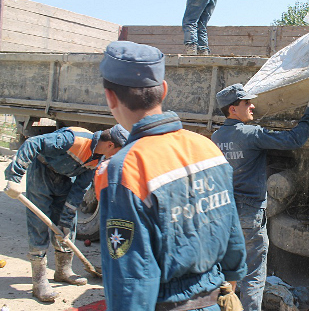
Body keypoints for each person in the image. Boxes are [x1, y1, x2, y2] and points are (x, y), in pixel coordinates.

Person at [95, 40, 247, 310]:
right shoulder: (206, 147)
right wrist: (232, 277)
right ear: (163, 90)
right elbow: (231, 226)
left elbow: (131, 278)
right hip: (219, 299)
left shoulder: (125, 169)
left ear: (110, 97)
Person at [211, 83, 309, 311]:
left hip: (225, 216)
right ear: (233, 109)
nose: (253, 106)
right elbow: (294, 140)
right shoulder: (251, 135)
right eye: (246, 103)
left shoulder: (216, 138)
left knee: (226, 271)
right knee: (253, 275)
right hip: (250, 215)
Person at [4, 123, 128, 302]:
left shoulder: (98, 157)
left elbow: (80, 188)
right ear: (110, 145)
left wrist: (66, 219)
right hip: (42, 171)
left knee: (68, 226)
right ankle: (39, 282)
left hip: (63, 177)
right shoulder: (73, 139)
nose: (117, 157)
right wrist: (15, 176)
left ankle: (63, 271)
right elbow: (33, 143)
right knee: (39, 223)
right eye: (118, 152)